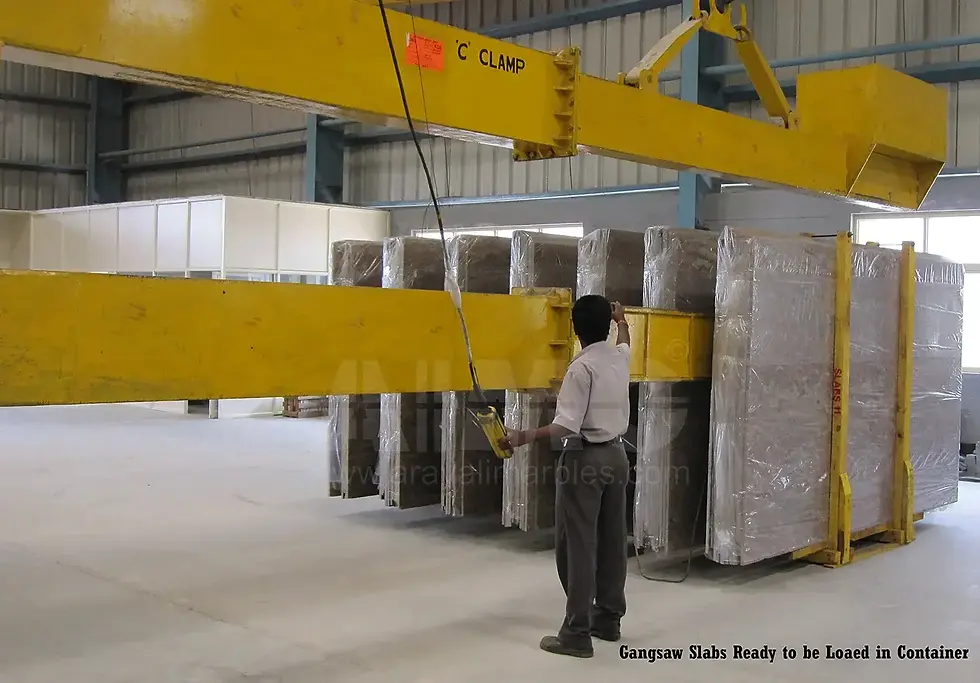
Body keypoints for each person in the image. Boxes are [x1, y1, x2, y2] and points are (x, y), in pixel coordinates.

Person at [499, 294, 631, 659]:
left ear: (574, 329)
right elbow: (625, 340)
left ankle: (576, 632)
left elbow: (566, 426)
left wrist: (522, 436)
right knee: (612, 540)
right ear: (606, 325)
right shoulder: (619, 358)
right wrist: (621, 320)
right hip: (617, 457)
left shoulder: (580, 369)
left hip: (586, 460)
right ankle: (608, 618)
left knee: (578, 546)